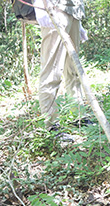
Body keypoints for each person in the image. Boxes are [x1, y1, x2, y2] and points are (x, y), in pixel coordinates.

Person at [33, 0, 88, 135]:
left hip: (73, 11)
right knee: (52, 73)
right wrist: (39, 5)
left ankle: (78, 116)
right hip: (54, 9)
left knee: (73, 70)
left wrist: (77, 21)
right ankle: (52, 127)